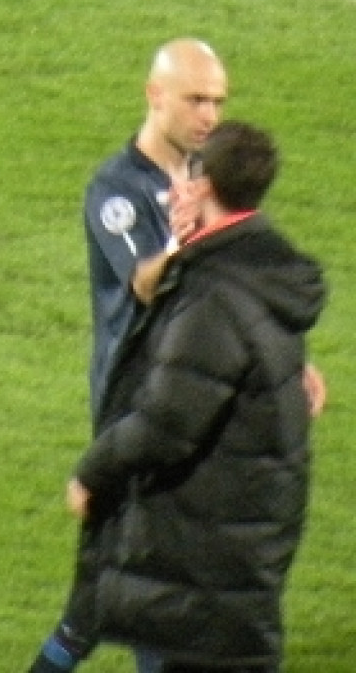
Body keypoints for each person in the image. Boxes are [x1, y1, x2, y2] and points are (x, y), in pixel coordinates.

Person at [67, 120, 327, 673]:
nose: (175, 193)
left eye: (185, 182)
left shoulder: (212, 295)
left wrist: (93, 472)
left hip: (208, 549)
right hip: (240, 536)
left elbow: (165, 421)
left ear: (203, 188)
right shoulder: (260, 265)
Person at [27, 39, 229, 673]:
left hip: (191, 401)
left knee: (135, 591)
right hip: (134, 408)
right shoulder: (116, 188)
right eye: (196, 100)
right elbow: (146, 281)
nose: (209, 116)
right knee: (131, 592)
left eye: (218, 102)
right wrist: (192, 231)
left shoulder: (208, 179)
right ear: (155, 96)